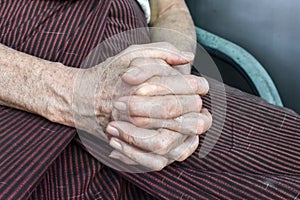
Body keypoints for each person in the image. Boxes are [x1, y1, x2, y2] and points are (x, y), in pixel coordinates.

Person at [0, 0, 299, 199]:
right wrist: (76, 94)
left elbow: (170, 9)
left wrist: (168, 81)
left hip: (140, 74)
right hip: (23, 85)